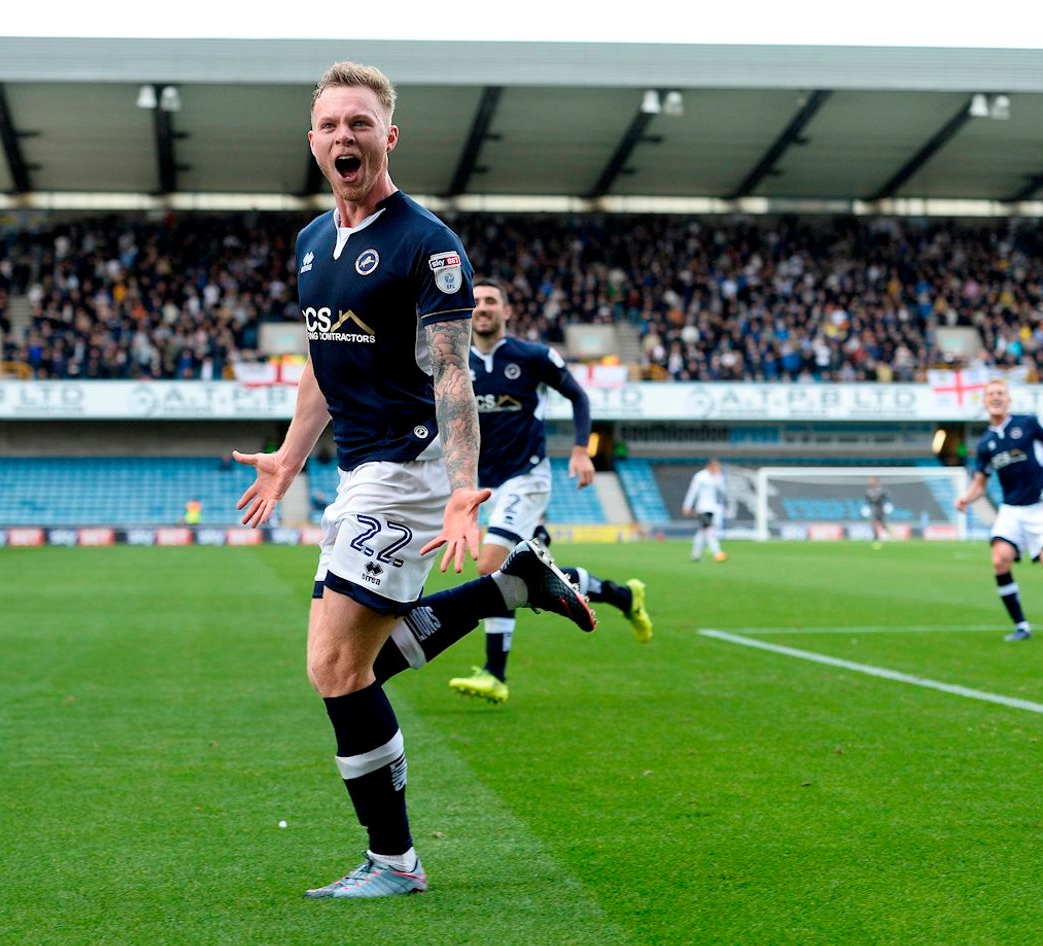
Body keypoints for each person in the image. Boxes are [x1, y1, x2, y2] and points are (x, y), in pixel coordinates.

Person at [233, 61, 594, 901]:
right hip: (358, 468)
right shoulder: (312, 243)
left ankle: (396, 862)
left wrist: (465, 485)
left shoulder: (426, 243)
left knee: (333, 666)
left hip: (412, 465)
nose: (343, 137)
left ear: (387, 136)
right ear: (313, 142)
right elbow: (325, 362)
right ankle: (512, 588)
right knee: (358, 665)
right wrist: (289, 456)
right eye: (329, 125)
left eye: (359, 123)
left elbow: (452, 375)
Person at [446, 278, 653, 705]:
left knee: (491, 566)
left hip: (527, 476)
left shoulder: (533, 357)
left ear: (507, 312)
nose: (482, 307)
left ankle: (494, 674)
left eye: (491, 301)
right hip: (485, 486)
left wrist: (580, 451)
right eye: (476, 301)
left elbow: (578, 396)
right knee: (529, 576)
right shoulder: (455, 363)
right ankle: (622, 595)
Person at [954, 379, 1043, 642]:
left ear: (1008, 399)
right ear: (985, 401)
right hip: (1011, 509)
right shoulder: (986, 443)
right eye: (991, 394)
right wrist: (966, 498)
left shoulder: (1028, 423)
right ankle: (1022, 625)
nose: (996, 397)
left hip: (1040, 505)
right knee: (999, 559)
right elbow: (980, 483)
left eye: (1000, 393)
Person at [683, 458, 727, 562]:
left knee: (702, 532)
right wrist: (687, 505)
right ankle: (717, 553)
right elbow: (692, 491)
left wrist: (718, 478)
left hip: (714, 509)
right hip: (702, 508)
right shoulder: (700, 477)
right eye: (716, 467)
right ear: (709, 466)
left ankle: (695, 555)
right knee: (709, 531)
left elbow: (723, 491)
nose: (717, 469)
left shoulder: (718, 477)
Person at [863, 475, 893, 546]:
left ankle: (889, 535)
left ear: (876, 481)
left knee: (882, 523)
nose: (871, 482)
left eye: (872, 480)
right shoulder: (868, 491)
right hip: (873, 509)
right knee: (873, 523)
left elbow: (887, 497)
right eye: (870, 480)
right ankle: (876, 537)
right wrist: (866, 507)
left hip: (880, 508)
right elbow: (867, 500)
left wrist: (887, 504)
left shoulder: (881, 490)